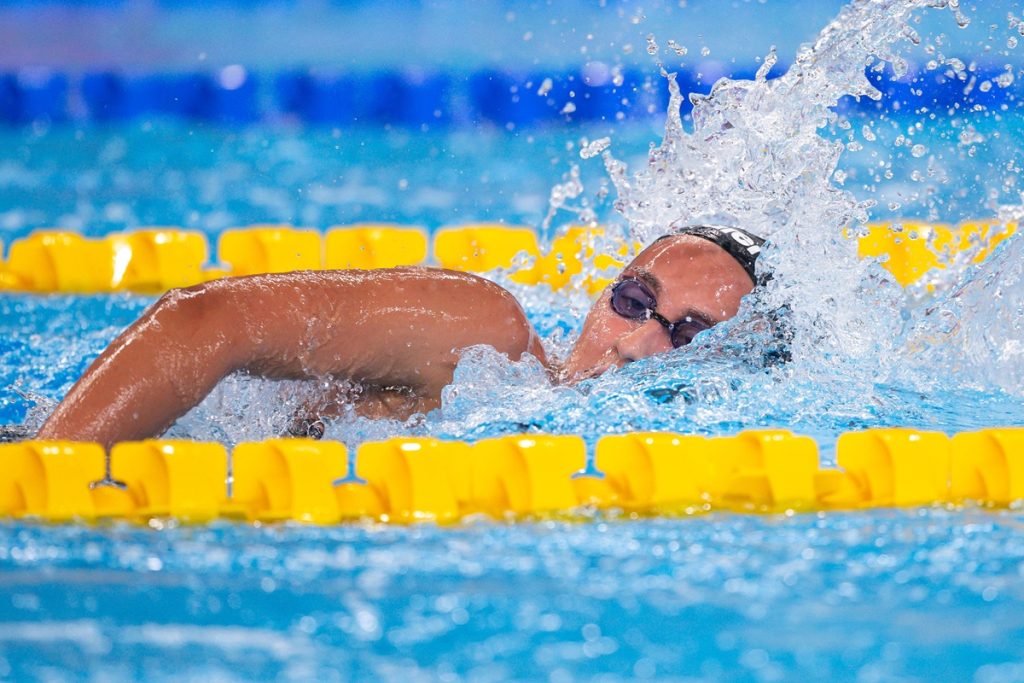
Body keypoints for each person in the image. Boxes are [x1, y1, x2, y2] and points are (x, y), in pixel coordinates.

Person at [34, 225, 765, 448]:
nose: (637, 341)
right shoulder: (482, 342)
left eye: (692, 336)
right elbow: (204, 321)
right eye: (635, 300)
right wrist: (43, 477)